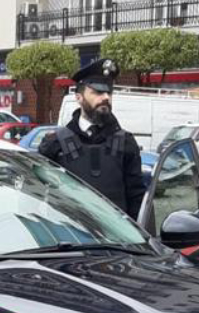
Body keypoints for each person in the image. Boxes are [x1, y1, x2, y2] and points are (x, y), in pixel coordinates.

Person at [38, 58, 147, 220]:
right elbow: (36, 195)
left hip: (116, 240)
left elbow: (136, 198)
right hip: (70, 237)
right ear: (79, 97)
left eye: (109, 92)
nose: (105, 98)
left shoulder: (126, 143)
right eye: (97, 92)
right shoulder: (55, 144)